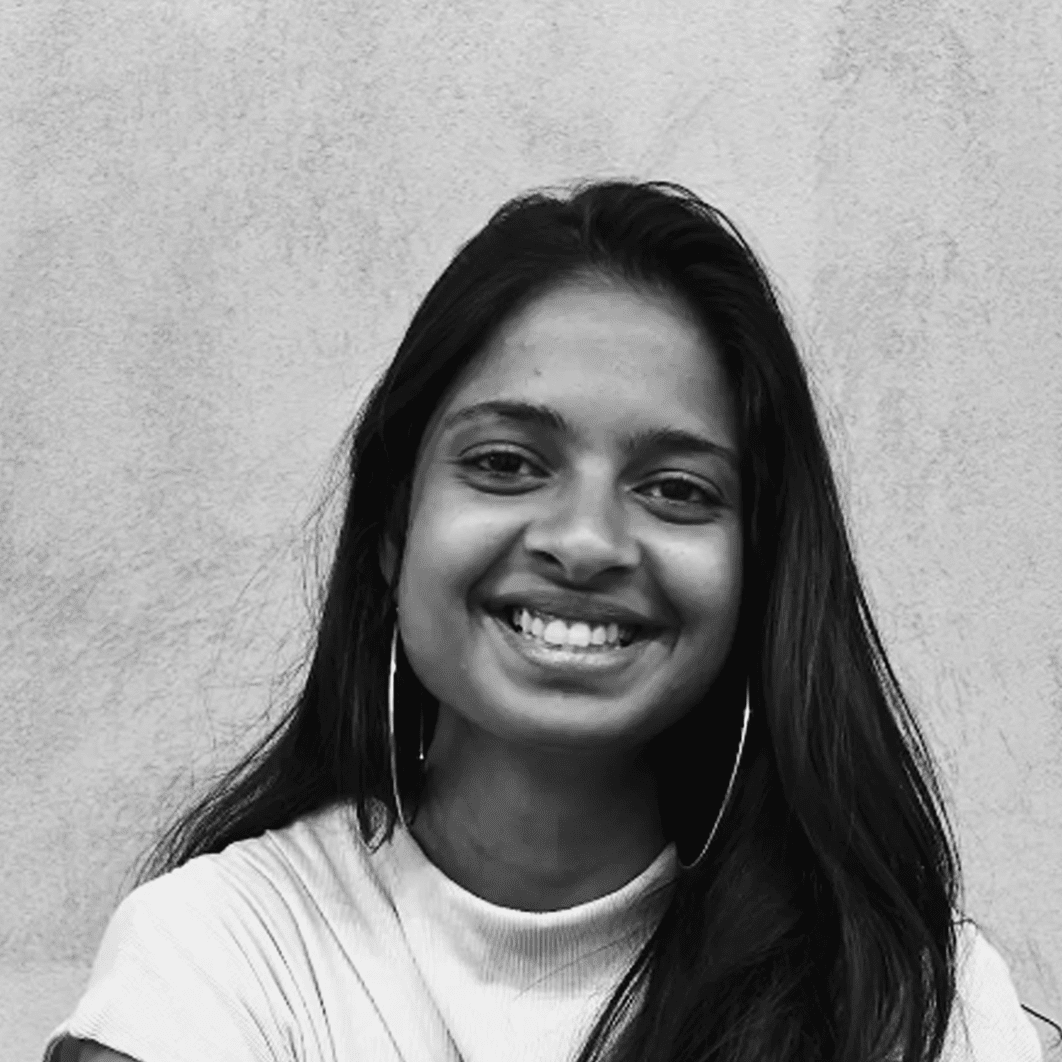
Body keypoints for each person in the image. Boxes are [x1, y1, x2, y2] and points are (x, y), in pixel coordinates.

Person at [45, 181, 1045, 1062]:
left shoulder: (908, 997)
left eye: (677, 488)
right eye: (506, 464)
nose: (586, 541)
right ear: (393, 529)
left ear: (760, 570)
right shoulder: (220, 959)